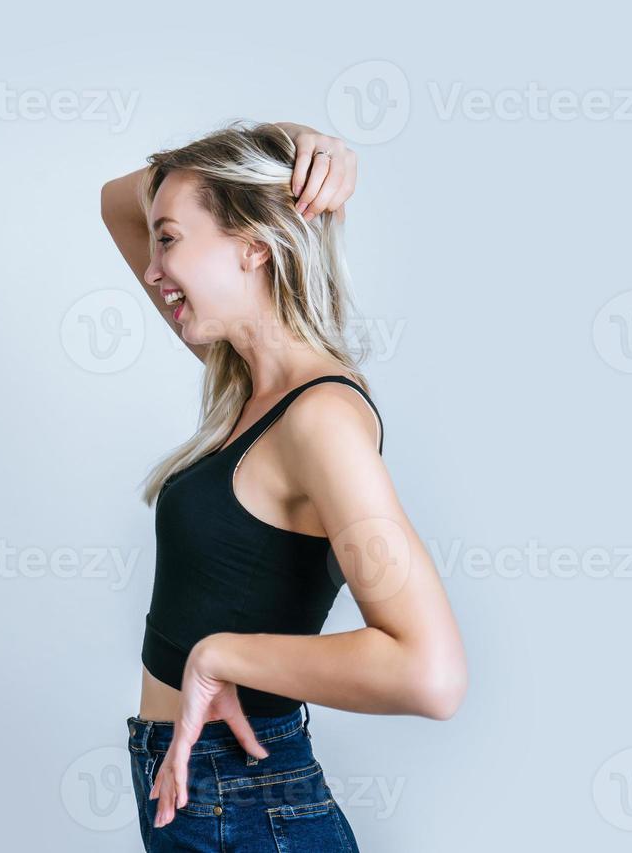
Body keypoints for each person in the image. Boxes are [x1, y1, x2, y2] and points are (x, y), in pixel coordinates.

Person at [100, 123, 467, 851]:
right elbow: (114, 201)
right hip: (195, 790)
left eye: (168, 239)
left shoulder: (320, 418)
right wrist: (292, 139)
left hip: (248, 803)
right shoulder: (247, 381)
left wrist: (222, 655)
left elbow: (430, 672)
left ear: (254, 246)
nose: (150, 266)